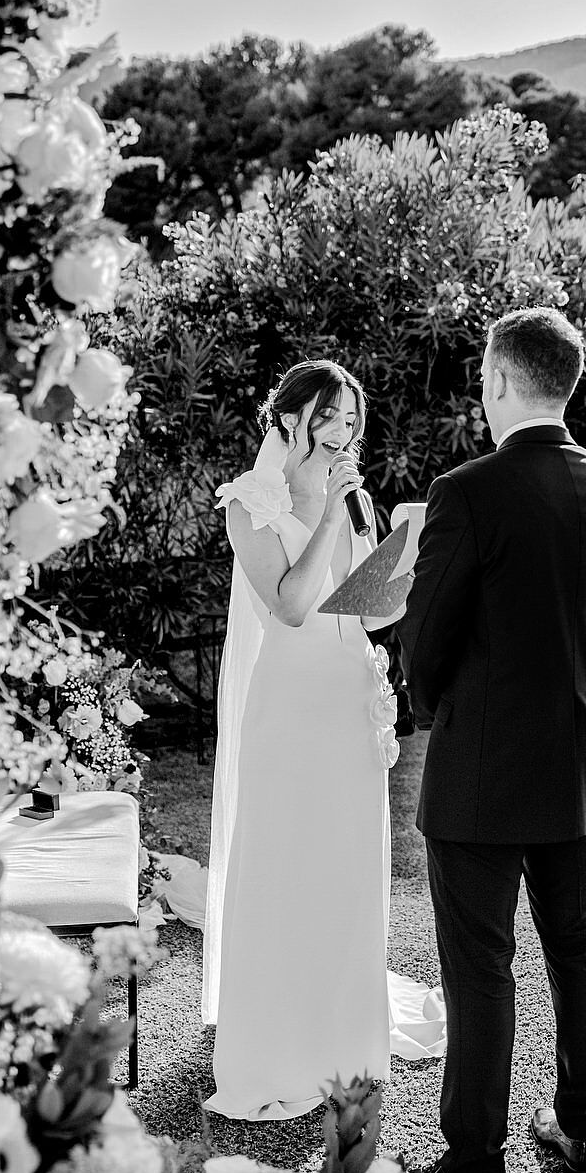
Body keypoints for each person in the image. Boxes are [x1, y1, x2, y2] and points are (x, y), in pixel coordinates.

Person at [399, 307, 586, 1173]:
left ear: (500, 380)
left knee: (479, 965)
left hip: (481, 771)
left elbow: (423, 639)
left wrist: (436, 711)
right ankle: (580, 1127)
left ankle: (475, 1161)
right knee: (580, 945)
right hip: (579, 758)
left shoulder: (466, 492)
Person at [207, 360, 415, 1120]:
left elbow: (365, 612)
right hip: (290, 708)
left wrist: (402, 561)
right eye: (331, 416)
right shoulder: (248, 504)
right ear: (290, 416)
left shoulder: (355, 501)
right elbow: (294, 606)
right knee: (287, 864)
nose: (344, 432)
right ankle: (280, 1043)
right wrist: (330, 510)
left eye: (352, 420)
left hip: (349, 699)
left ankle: (344, 1037)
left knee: (345, 867)